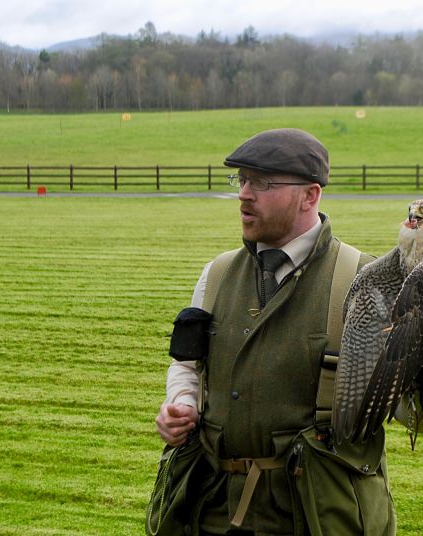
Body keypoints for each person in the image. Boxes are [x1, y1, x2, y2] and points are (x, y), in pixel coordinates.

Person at [154, 128, 396, 536]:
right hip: (211, 510)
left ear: (310, 196)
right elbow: (187, 366)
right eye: (242, 179)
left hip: (314, 512)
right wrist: (180, 404)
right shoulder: (215, 275)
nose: (245, 194)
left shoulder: (363, 282)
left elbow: (408, 409)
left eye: (263, 183)